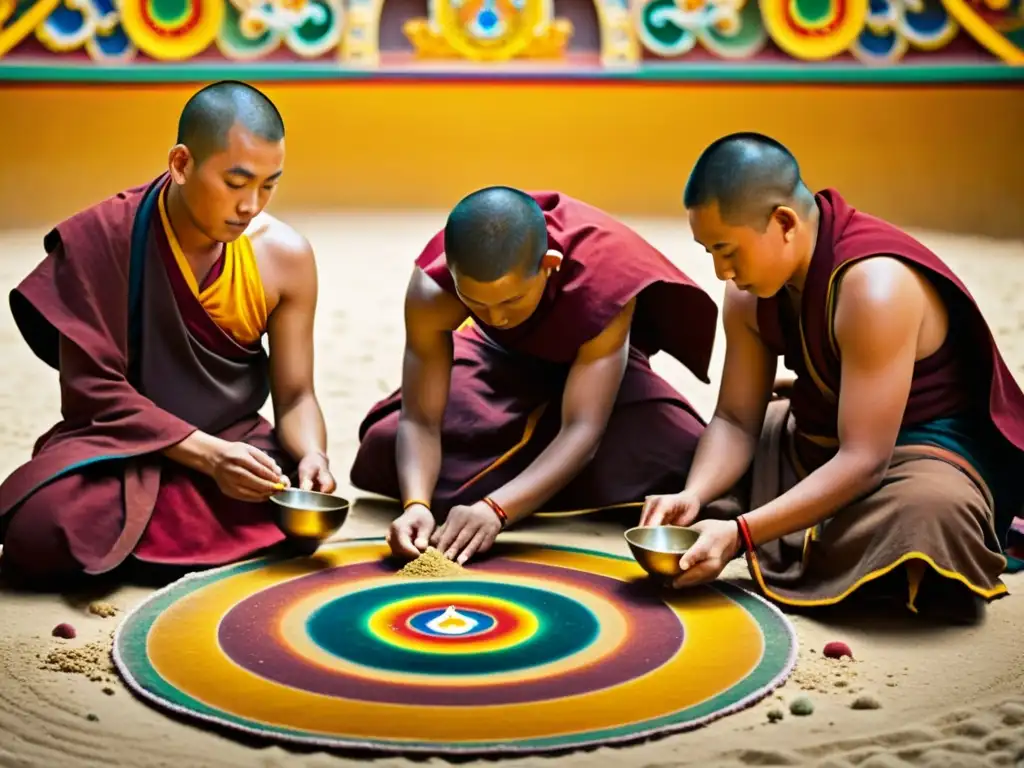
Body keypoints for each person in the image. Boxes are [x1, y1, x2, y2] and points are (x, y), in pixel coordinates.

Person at [641, 132, 1024, 621]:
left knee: (930, 514)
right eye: (710, 252)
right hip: (816, 439)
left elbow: (865, 460)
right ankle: (761, 523)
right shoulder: (747, 295)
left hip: (911, 454)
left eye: (728, 250)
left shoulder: (873, 286)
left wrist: (742, 533)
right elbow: (736, 419)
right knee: (699, 458)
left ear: (783, 223)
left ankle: (766, 530)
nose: (721, 272)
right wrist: (693, 495)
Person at [0, 80, 335, 587]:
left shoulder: (284, 257)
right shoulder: (108, 237)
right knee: (39, 528)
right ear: (181, 164)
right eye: (236, 182)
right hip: (121, 442)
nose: (251, 206)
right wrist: (206, 455)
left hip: (232, 436)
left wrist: (313, 454)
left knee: (286, 500)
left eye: (269, 185)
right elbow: (94, 394)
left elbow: (295, 394)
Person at [350, 186, 719, 565]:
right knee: (384, 443)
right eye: (476, 302)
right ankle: (537, 481)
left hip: (593, 366)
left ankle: (522, 484)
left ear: (550, 264)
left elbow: (583, 429)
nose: (498, 318)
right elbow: (420, 418)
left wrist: (497, 508)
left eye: (511, 300)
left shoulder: (602, 278)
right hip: (492, 356)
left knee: (683, 454)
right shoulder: (433, 289)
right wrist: (416, 504)